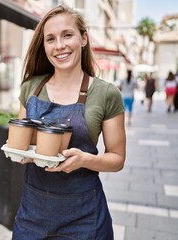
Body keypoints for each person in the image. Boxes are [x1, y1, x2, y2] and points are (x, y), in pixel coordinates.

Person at [13, 4, 126, 239]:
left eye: (67, 35)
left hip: (84, 217)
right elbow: (25, 144)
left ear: (83, 38)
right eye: (50, 39)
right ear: (44, 46)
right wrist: (19, 152)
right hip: (33, 212)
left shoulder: (106, 93)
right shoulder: (30, 88)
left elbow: (117, 159)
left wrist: (85, 160)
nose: (59, 45)